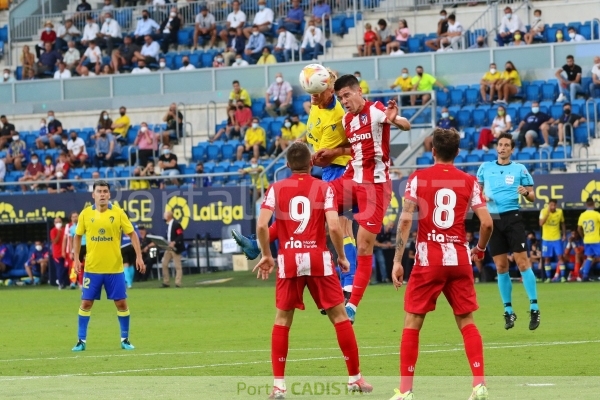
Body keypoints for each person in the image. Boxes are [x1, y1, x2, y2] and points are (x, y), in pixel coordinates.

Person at [253, 142, 373, 398]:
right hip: (319, 259)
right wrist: (341, 256)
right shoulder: (324, 188)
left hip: (288, 260)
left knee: (282, 320)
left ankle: (279, 386)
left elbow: (262, 226)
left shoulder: (276, 188)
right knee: (340, 317)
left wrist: (266, 254)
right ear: (311, 163)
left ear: (287, 165)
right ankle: (354, 379)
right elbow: (334, 226)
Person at [389, 127, 492, 400]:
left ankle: (406, 391)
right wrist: (479, 249)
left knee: (413, 321)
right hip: (459, 257)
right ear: (457, 152)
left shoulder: (418, 178)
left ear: (432, 150)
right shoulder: (470, 181)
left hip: (428, 258)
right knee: (466, 320)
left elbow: (405, 220)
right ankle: (479, 384)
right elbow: (487, 223)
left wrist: (398, 260)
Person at [476, 133, 540, 331]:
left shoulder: (520, 169)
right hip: (493, 220)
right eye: (500, 145)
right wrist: (482, 197)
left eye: (506, 145)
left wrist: (526, 193)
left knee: (522, 262)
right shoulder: (485, 168)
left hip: (513, 218)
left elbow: (532, 197)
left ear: (512, 149)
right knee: (501, 266)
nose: (502, 148)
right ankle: (508, 311)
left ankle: (534, 307)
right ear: (497, 148)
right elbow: (477, 193)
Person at [71, 180, 145, 352]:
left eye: (105, 191)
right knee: (86, 303)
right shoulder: (85, 214)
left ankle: (125, 339)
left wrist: (139, 257)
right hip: (92, 269)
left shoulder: (118, 213)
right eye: (99, 191)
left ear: (109, 194)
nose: (102, 194)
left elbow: (132, 234)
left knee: (121, 303)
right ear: (93, 194)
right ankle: (81, 341)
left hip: (114, 269)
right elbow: (77, 236)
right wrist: (76, 259)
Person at [539, 199, 567, 282]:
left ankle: (562, 277)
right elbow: (541, 224)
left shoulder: (560, 212)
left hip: (557, 238)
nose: (552, 207)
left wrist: (564, 234)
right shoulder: (543, 211)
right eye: (551, 205)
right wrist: (547, 214)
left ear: (556, 205)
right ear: (548, 205)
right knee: (547, 258)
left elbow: (563, 223)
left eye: (554, 205)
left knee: (560, 257)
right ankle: (548, 277)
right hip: (546, 239)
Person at [577, 198, 600, 281]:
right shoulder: (596, 214)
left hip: (587, 240)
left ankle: (585, 274)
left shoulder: (582, 215)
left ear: (586, 205)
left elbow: (579, 229)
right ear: (593, 204)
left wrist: (583, 237)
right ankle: (584, 273)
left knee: (589, 257)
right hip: (596, 239)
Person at [160, 210, 185, 288]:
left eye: (165, 215)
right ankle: (166, 282)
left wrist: (174, 242)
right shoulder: (169, 225)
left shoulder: (176, 224)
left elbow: (180, 235)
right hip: (169, 248)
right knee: (164, 263)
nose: (164, 217)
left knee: (177, 266)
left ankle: (178, 282)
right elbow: (167, 236)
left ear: (168, 216)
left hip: (175, 248)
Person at [121, 224, 141, 289]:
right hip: (132, 246)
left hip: (123, 246)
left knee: (125, 264)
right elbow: (137, 235)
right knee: (131, 264)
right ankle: (130, 282)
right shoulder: (133, 224)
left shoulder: (118, 221)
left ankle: (128, 283)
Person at [50, 217, 68, 289]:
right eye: (56, 222)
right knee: (59, 269)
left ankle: (62, 281)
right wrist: (59, 233)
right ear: (54, 223)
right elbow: (55, 241)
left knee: (66, 268)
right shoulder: (53, 231)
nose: (58, 223)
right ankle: (60, 283)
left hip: (65, 253)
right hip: (57, 254)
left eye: (59, 221)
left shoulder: (65, 230)